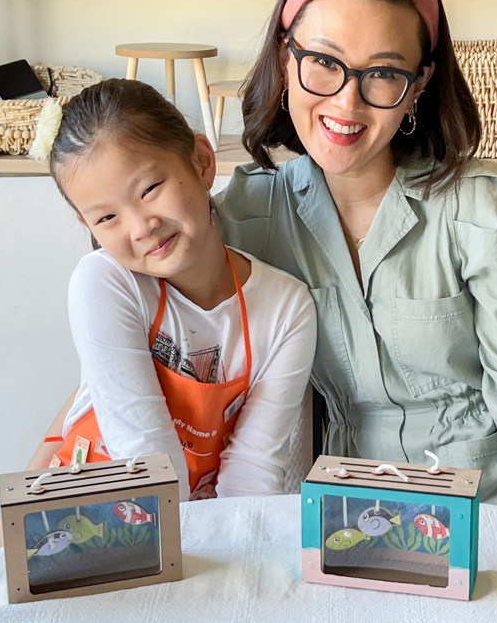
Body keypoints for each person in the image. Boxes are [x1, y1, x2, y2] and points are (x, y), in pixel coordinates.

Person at [215, 0, 497, 521]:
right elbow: (141, 309)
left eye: (383, 74)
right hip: (345, 520)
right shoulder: (248, 216)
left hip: (494, 516)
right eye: (323, 62)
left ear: (418, 86)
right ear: (283, 57)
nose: (347, 105)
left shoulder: (482, 210)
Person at [28, 78, 317, 502]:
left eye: (149, 190)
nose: (141, 226)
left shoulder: (287, 309)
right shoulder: (106, 283)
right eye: (107, 218)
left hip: (190, 522)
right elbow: (148, 466)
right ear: (87, 227)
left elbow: (252, 474)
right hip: (91, 513)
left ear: (201, 162)